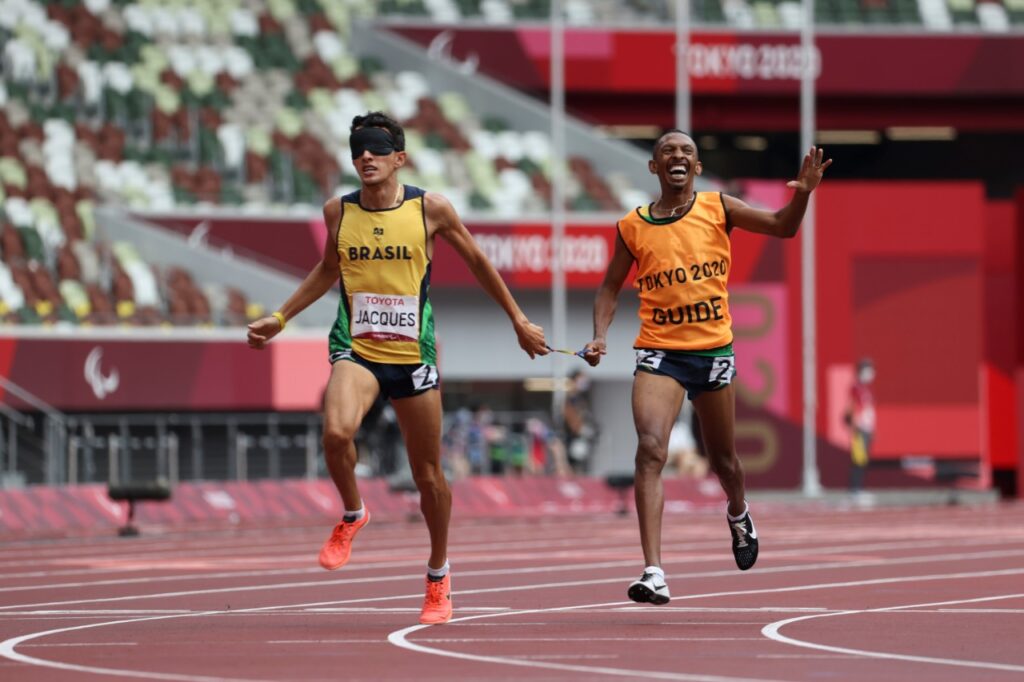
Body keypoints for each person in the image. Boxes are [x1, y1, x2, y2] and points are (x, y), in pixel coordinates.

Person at [247, 111, 548, 625]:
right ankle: (352, 513)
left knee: (428, 475)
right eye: (357, 148)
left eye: (376, 148)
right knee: (337, 434)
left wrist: (518, 320)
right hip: (357, 347)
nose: (365, 156)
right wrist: (280, 316)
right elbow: (327, 270)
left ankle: (438, 576)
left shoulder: (430, 209)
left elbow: (478, 261)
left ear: (399, 158)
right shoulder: (338, 212)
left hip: (412, 355)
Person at [583, 130, 831, 605]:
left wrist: (802, 195)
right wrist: (599, 334)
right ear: (654, 167)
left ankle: (738, 511)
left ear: (696, 168)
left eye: (687, 152)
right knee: (651, 450)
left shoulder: (720, 207)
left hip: (713, 351)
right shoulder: (631, 227)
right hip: (660, 352)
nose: (678, 156)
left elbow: (783, 226)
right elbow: (610, 288)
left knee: (725, 462)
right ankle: (654, 570)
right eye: (668, 152)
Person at [844, 357, 876, 496]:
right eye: (868, 369)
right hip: (859, 427)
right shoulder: (855, 388)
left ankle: (859, 487)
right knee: (858, 458)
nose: (871, 373)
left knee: (863, 458)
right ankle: (854, 488)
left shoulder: (866, 389)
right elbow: (851, 406)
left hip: (867, 427)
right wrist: (854, 424)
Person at [562, 369, 598, 474]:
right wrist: (580, 430)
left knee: (582, 466)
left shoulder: (581, 399)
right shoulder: (571, 398)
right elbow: (569, 415)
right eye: (581, 379)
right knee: (574, 466)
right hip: (573, 438)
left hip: (582, 438)